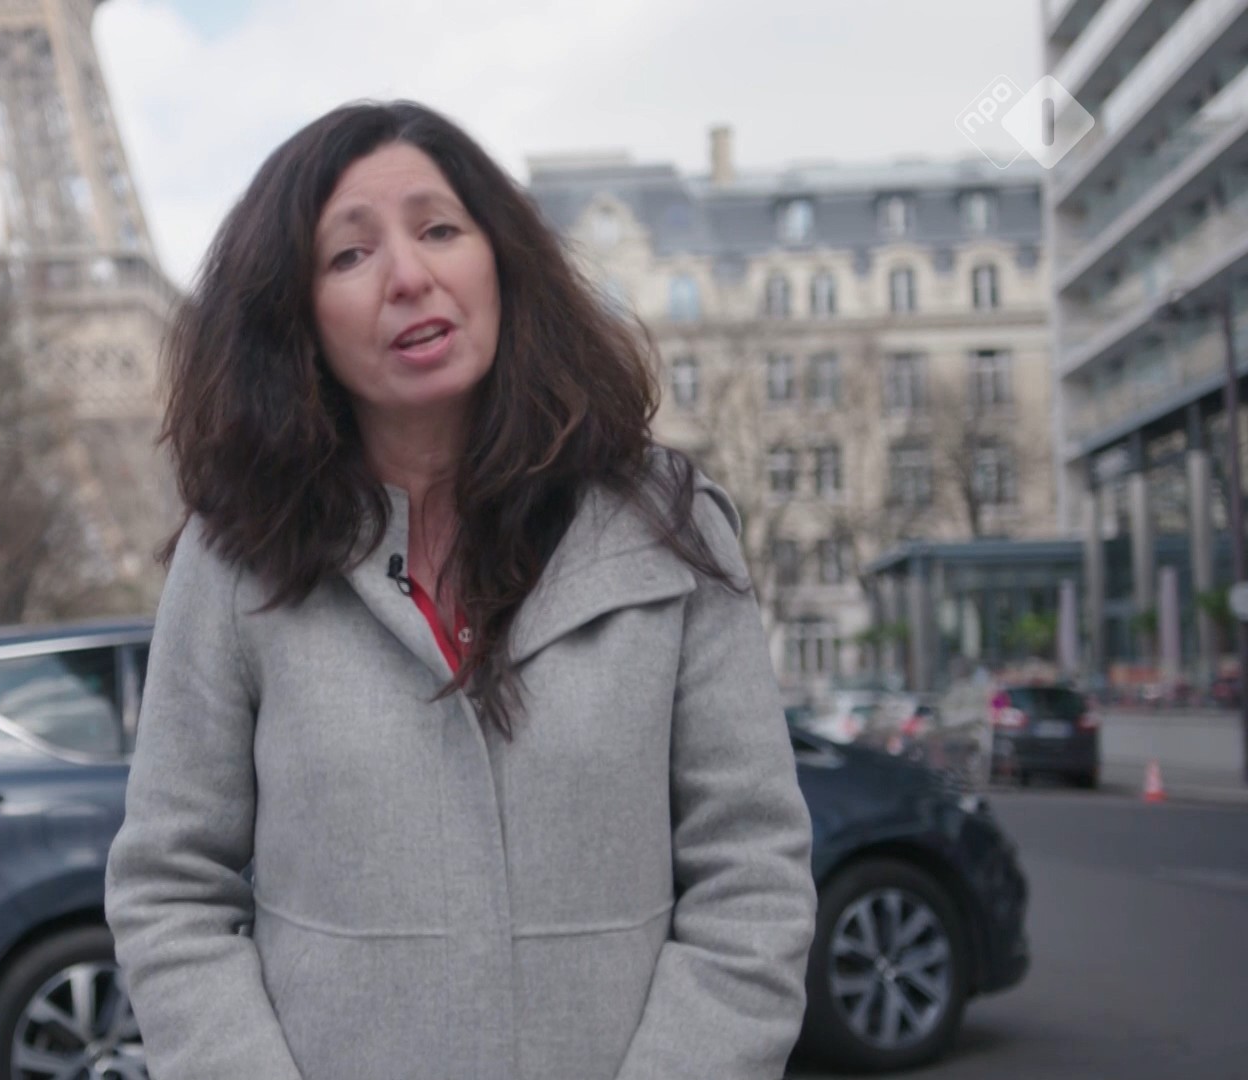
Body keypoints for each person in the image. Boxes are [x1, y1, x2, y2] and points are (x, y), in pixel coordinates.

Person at [104, 100, 816, 1080]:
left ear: (503, 261)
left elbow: (754, 876)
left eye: (439, 229)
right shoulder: (235, 559)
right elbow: (169, 889)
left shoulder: (671, 527)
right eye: (349, 255)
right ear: (296, 318)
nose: (408, 276)